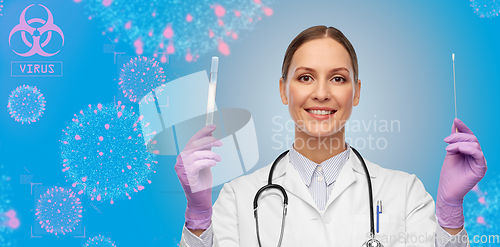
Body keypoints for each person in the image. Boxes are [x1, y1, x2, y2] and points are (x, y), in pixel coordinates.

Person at [174, 25, 487, 247]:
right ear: (284, 90)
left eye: (338, 78)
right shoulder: (238, 198)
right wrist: (199, 215)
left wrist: (449, 209)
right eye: (305, 77)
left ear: (356, 92)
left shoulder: (405, 194)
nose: (321, 93)